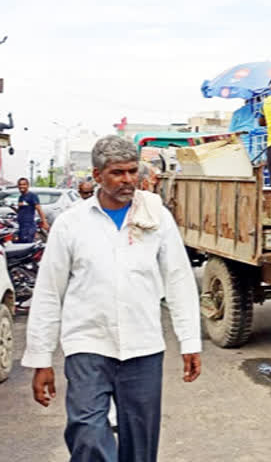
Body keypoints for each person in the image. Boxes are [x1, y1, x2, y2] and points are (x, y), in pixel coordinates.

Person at [22, 135, 202, 462]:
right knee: (87, 432)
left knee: (141, 442)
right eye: (118, 173)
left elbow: (178, 280)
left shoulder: (155, 218)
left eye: (132, 171)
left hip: (143, 347)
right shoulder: (71, 225)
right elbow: (49, 292)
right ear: (97, 175)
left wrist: (190, 341)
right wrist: (41, 358)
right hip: (88, 346)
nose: (128, 180)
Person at [15, 177, 49, 242]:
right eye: (20, 184)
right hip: (21, 226)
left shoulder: (32, 196)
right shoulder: (21, 197)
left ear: (28, 185)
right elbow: (20, 211)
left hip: (29, 227)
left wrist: (45, 223)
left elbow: (39, 210)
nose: (21, 186)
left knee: (27, 245)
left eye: (24, 184)